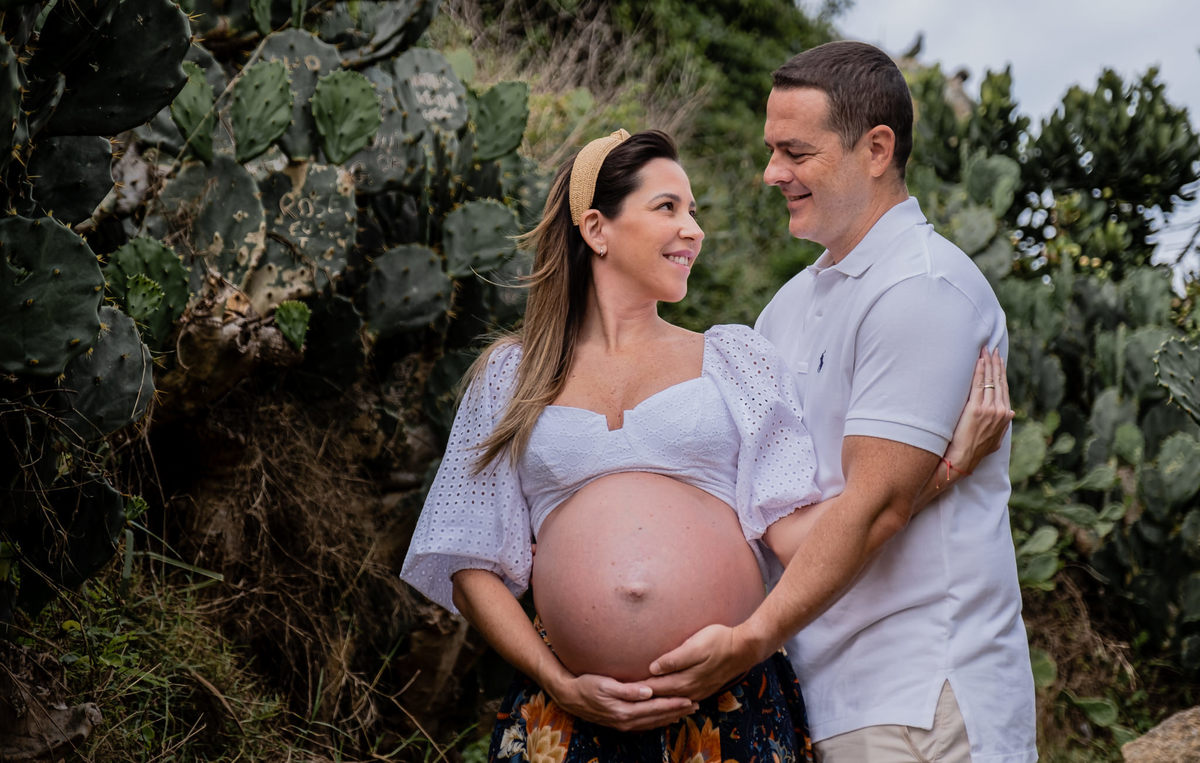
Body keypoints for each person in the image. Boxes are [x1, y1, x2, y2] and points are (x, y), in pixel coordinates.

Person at [400, 128, 1009, 762]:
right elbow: (469, 560)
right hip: (568, 713)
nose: (693, 230)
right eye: (667, 207)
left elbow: (799, 539)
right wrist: (558, 681)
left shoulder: (736, 358)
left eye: (693, 212)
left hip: (726, 705)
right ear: (596, 229)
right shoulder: (511, 377)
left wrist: (944, 468)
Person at [642, 41, 1038, 762]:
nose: (772, 173)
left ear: (877, 149)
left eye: (795, 152)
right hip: (815, 699)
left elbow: (875, 507)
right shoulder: (785, 309)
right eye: (772, 151)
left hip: (922, 694)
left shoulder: (922, 289)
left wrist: (749, 640)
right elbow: (767, 510)